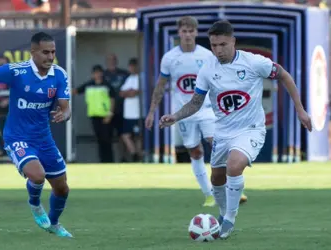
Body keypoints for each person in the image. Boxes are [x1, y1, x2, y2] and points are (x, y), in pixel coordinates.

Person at [159, 20, 312, 239]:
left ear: (233, 41)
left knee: (234, 165)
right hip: (223, 131)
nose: (218, 50)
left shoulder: (254, 62)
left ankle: (229, 218)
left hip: (251, 129)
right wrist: (174, 116)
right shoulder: (207, 70)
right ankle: (222, 215)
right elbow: (195, 103)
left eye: (223, 44)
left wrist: (300, 110)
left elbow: (284, 75)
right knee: (217, 178)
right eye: (214, 45)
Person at [0, 32, 73, 238]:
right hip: (17, 136)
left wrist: (64, 114)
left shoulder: (59, 75)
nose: (50, 57)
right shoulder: (16, 71)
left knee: (63, 188)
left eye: (53, 52)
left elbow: (66, 107)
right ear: (34, 52)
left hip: (44, 138)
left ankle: (54, 224)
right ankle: (35, 205)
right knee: (37, 175)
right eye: (45, 52)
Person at [145, 16, 247, 207]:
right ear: (179, 33)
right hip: (184, 112)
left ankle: (231, 187)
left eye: (191, 31)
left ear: (196, 32)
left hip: (206, 109)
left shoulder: (207, 55)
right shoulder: (170, 58)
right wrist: (152, 111)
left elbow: (221, 79)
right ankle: (209, 194)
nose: (188, 35)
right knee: (195, 152)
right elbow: (160, 85)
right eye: (184, 31)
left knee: (217, 144)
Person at [74, 64, 115, 163]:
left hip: (105, 116)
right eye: (95, 73)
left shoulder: (107, 85)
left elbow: (112, 99)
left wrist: (110, 113)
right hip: (94, 115)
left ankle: (109, 161)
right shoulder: (89, 84)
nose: (97, 75)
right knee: (99, 139)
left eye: (99, 73)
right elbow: (75, 91)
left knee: (107, 139)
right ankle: (102, 161)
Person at [119, 58, 142, 162]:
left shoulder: (141, 77)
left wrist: (128, 92)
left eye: (134, 66)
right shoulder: (129, 78)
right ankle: (134, 154)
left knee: (138, 136)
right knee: (126, 135)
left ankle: (138, 155)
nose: (132, 68)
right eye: (130, 66)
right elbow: (121, 93)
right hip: (128, 114)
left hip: (138, 113)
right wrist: (129, 92)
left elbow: (135, 92)